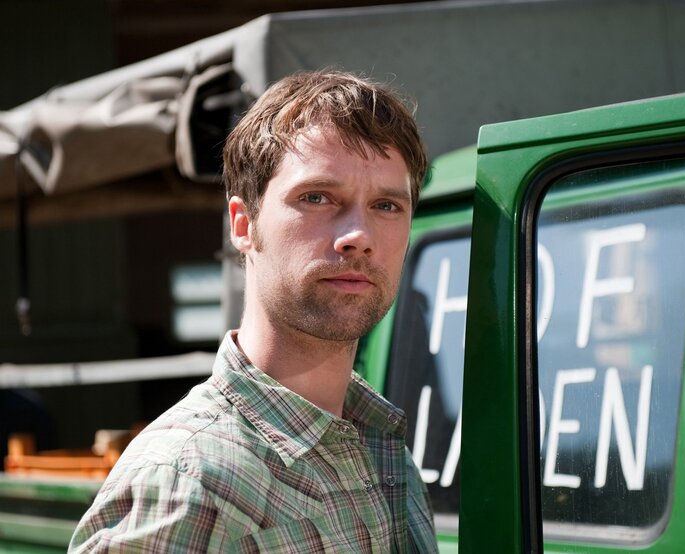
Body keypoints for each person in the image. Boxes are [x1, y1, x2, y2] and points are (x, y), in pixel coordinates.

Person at [69, 70, 437, 553]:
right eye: (317, 197)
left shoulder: (383, 451)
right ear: (243, 225)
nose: (359, 236)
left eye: (387, 205)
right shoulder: (185, 482)